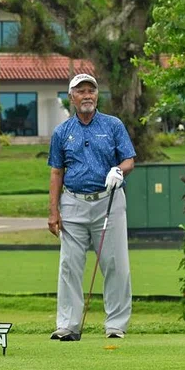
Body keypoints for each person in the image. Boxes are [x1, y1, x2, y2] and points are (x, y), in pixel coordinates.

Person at [47, 73, 136, 341]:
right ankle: (68, 324)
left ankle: (116, 325)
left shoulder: (113, 125)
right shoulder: (62, 132)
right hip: (73, 201)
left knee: (115, 264)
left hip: (108, 201)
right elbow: (56, 173)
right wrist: (53, 211)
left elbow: (129, 159)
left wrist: (119, 171)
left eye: (91, 90)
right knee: (69, 266)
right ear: (71, 97)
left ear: (97, 95)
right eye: (81, 91)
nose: (87, 95)